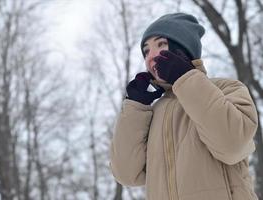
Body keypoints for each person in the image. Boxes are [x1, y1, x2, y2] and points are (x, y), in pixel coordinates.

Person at [109, 13, 259, 200]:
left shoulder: (227, 88)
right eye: (146, 51)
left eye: (161, 44)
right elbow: (127, 174)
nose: (151, 56)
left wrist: (186, 79)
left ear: (183, 49)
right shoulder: (154, 113)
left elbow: (232, 145)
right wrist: (135, 107)